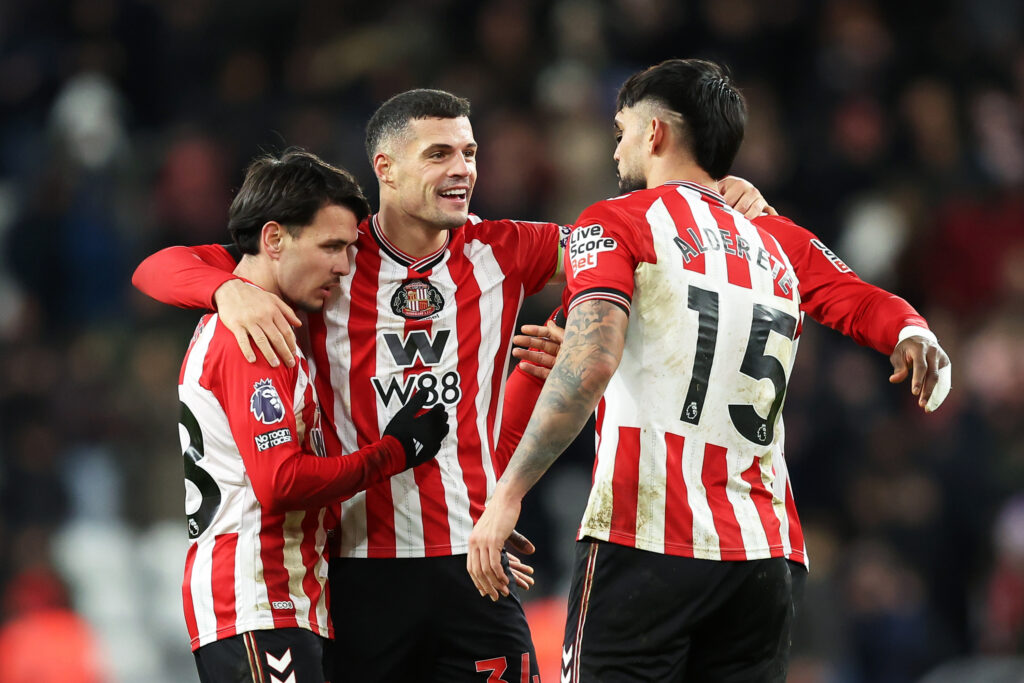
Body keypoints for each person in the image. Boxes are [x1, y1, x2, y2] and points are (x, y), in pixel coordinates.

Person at [133, 89, 773, 681]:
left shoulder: (507, 248)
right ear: (384, 167)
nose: (462, 168)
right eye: (438, 154)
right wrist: (225, 290)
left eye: (469, 152)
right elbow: (159, 267)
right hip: (357, 570)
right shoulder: (330, 254)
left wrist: (713, 199)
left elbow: (643, 253)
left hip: (474, 563)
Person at [467, 58, 951, 682]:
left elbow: (583, 363)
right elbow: (858, 298)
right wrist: (914, 331)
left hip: (647, 539)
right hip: (763, 556)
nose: (616, 149)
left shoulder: (617, 222)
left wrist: (500, 497)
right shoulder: (777, 238)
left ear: (656, 134)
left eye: (621, 131)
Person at [176, 149, 449, 683]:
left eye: (349, 249)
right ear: (274, 239)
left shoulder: (268, 324)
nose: (344, 266)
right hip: (255, 600)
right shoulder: (252, 334)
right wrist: (393, 451)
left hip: (279, 600)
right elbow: (281, 481)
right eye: (331, 247)